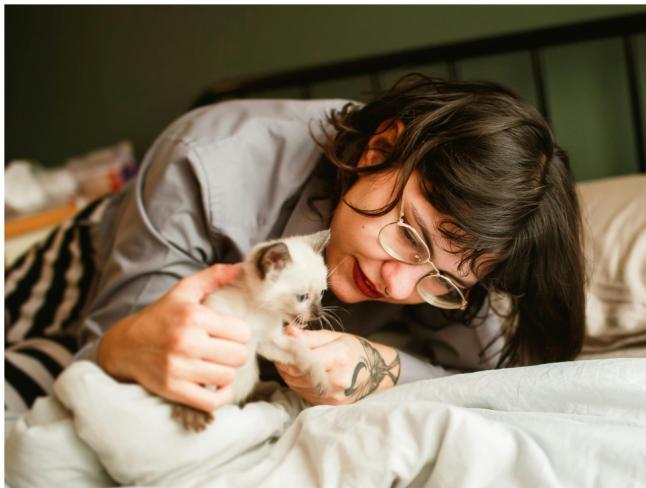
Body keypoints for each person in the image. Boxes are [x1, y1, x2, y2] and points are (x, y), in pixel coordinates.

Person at [4, 74, 585, 413]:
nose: (397, 284)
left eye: (443, 283)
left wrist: (384, 367)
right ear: (379, 149)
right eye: (408, 236)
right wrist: (120, 347)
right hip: (81, 272)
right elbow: (112, 349)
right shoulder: (207, 163)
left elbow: (492, 387)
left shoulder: (461, 256)